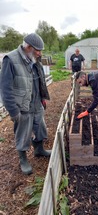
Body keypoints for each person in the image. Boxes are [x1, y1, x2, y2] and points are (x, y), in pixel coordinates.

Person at [0, 33, 51, 175]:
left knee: (39, 126)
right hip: (22, 104)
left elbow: (39, 78)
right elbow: (5, 88)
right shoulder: (10, 60)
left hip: (36, 101)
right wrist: (13, 111)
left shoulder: (33, 57)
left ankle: (39, 149)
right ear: (28, 47)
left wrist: (42, 96)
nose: (40, 53)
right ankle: (23, 159)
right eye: (38, 50)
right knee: (23, 132)